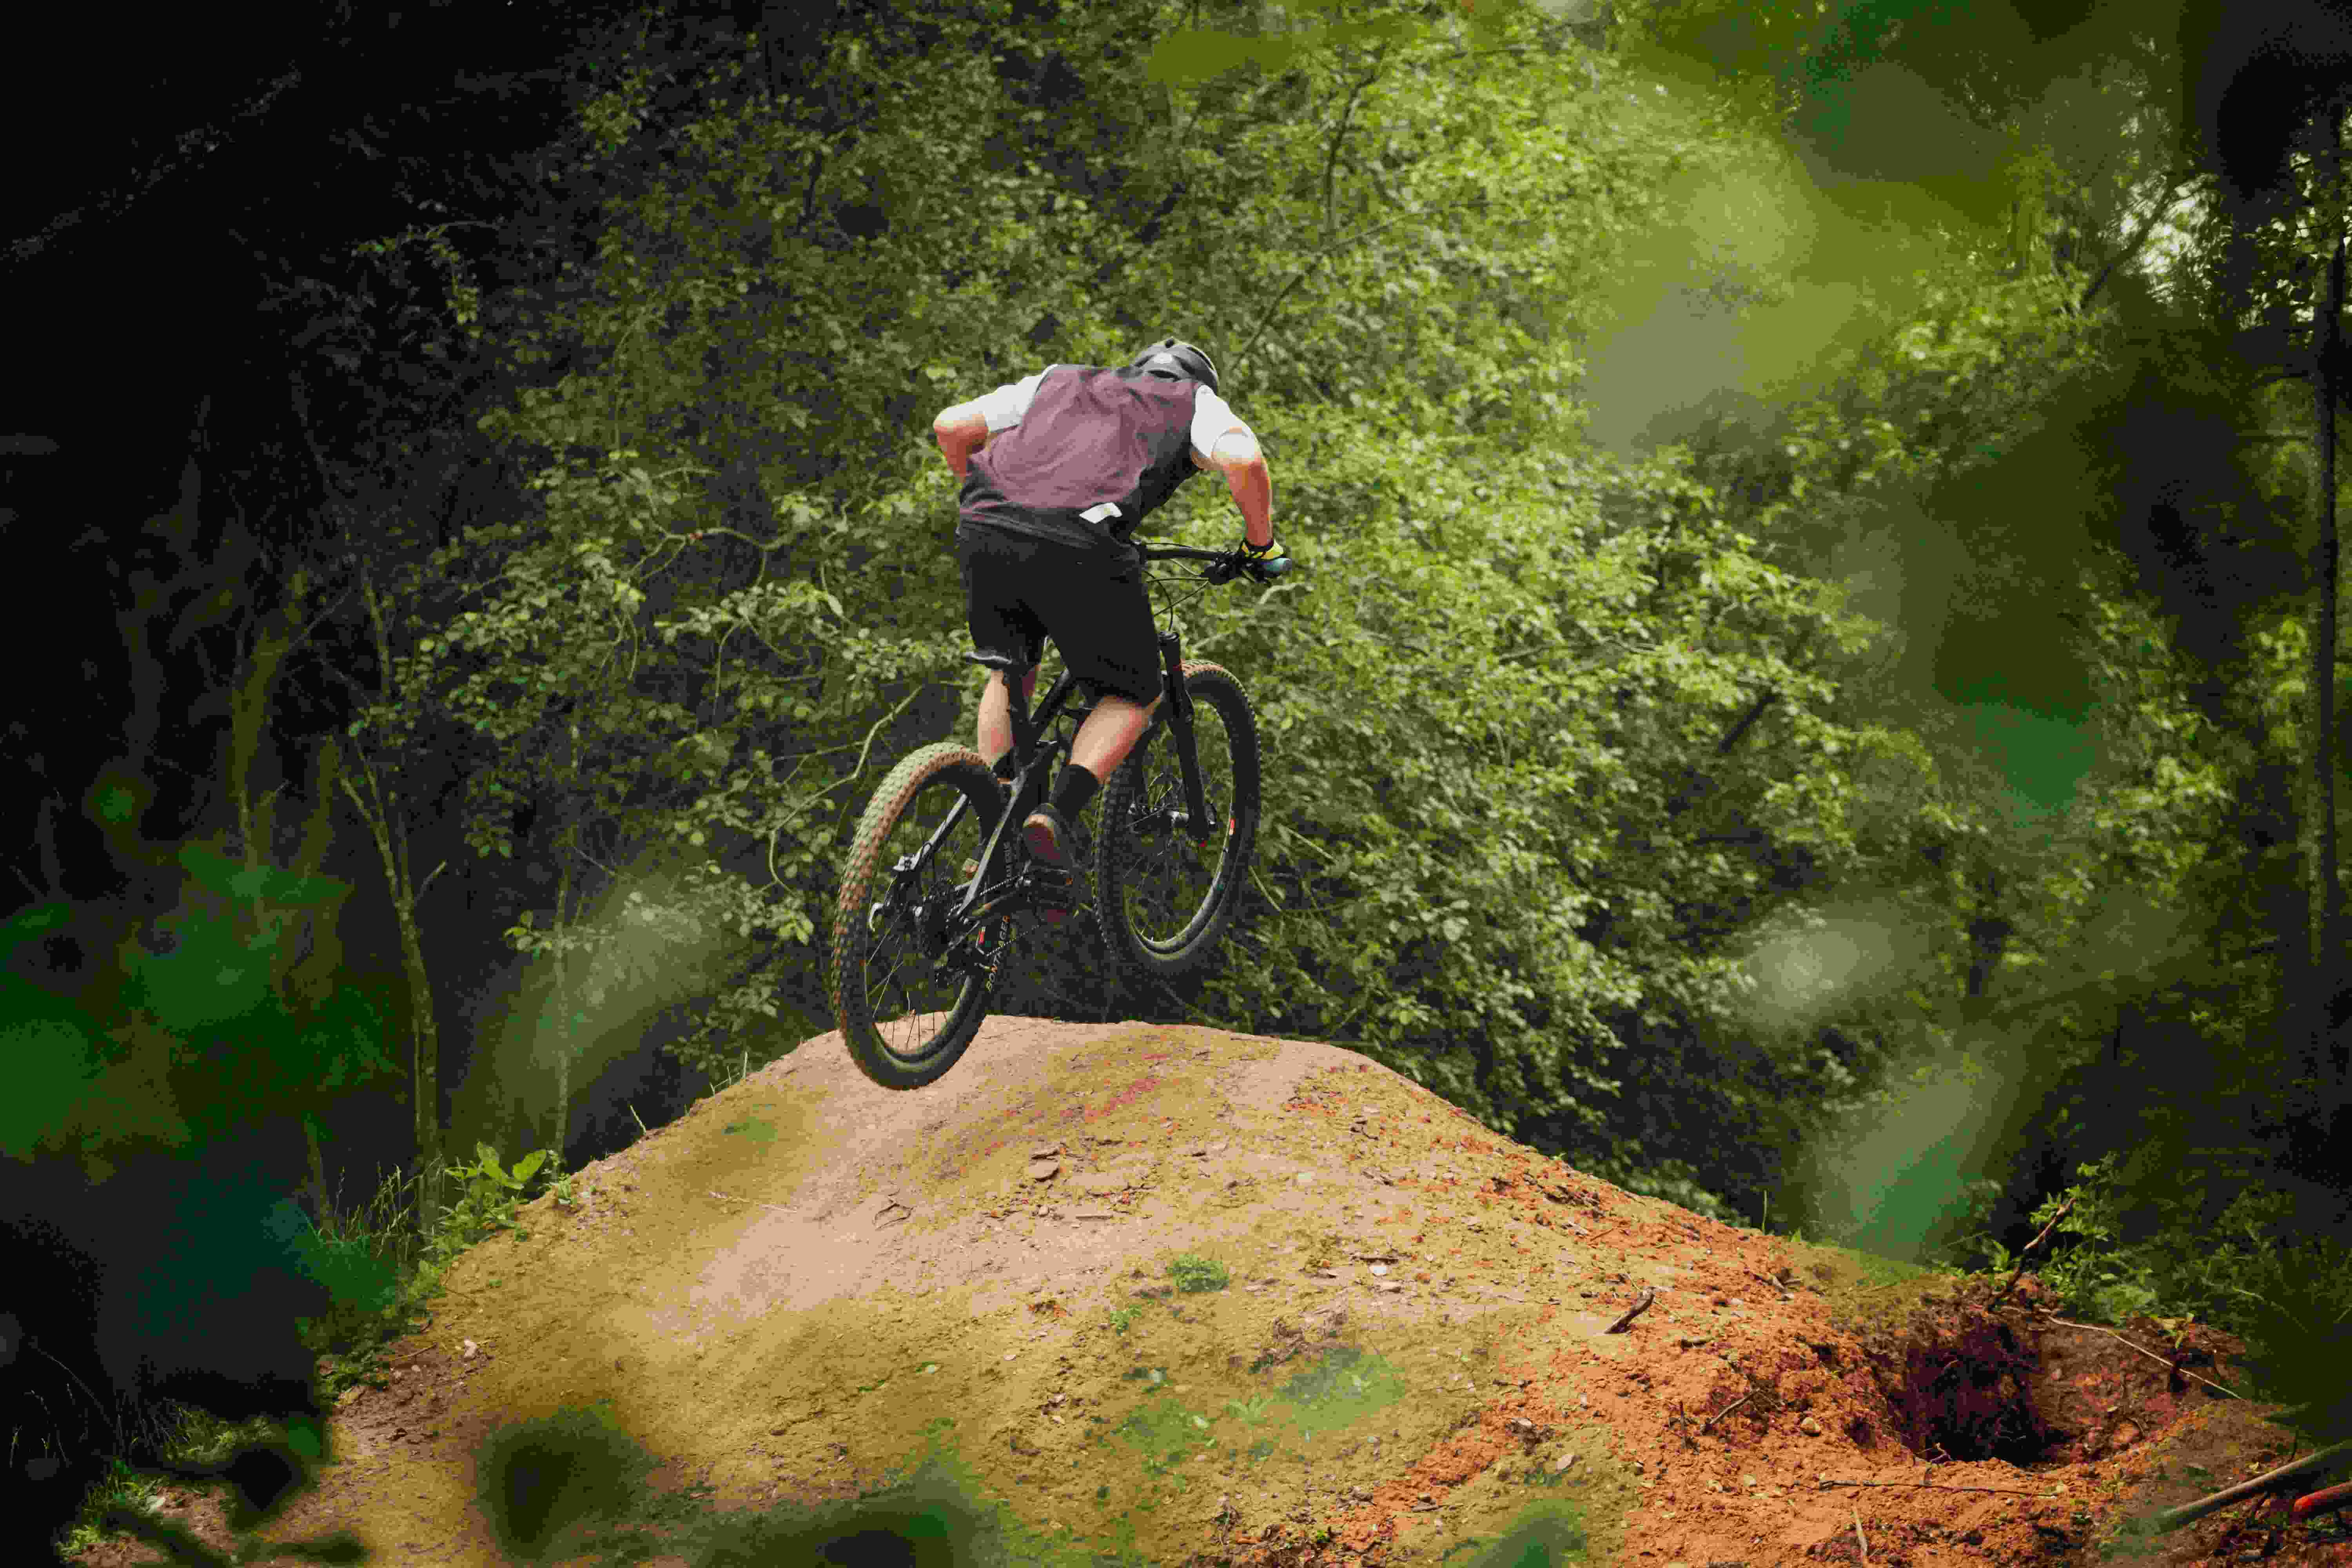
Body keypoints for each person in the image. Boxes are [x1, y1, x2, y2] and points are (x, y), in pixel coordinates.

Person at [931, 337, 1281, 915]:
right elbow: (1244, 461)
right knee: (1132, 693)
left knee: (1009, 667)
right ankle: (1056, 814)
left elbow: (951, 426)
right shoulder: (1193, 402)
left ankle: (995, 817)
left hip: (984, 524)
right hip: (1082, 544)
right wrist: (1261, 546)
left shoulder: (1059, 379)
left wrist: (999, 505)